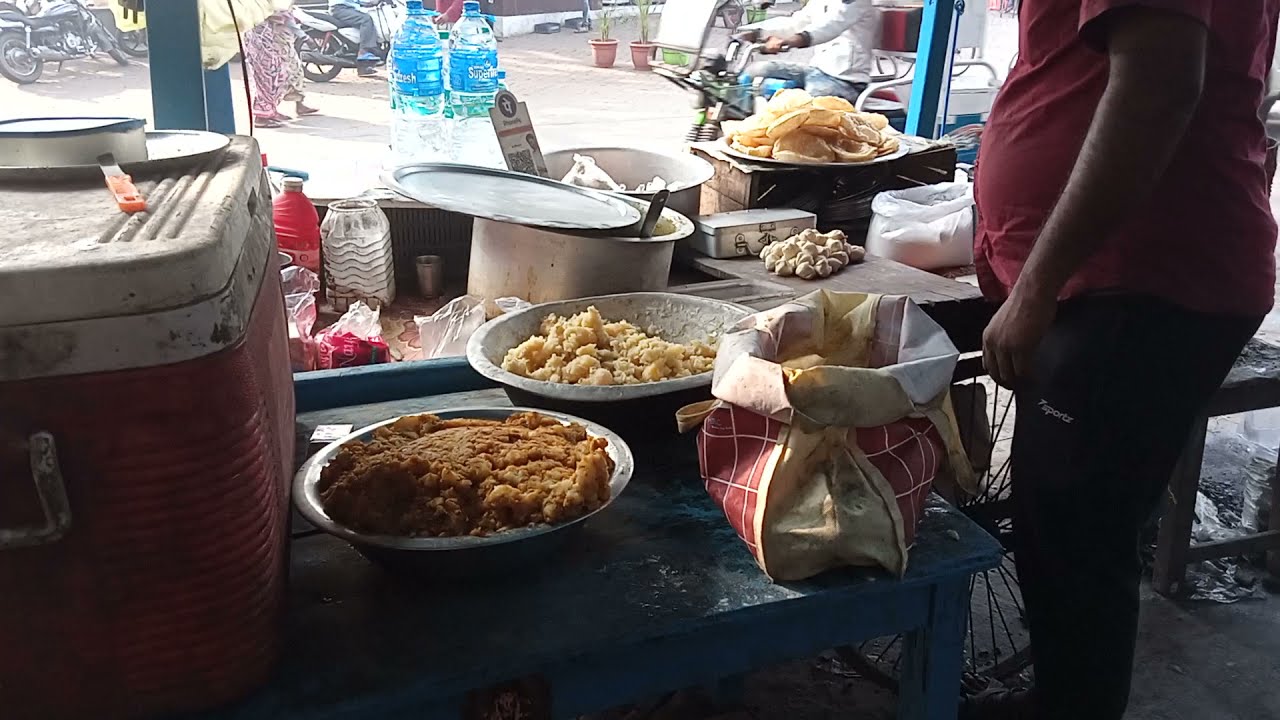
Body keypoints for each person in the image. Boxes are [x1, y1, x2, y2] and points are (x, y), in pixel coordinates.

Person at [965, 2, 1279, 719]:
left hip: (1137, 280)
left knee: (1077, 533)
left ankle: (1072, 705)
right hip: (1119, 277)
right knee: (1068, 524)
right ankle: (1062, 695)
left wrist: (1038, 284)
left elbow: (1160, 83)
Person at [737, 0, 877, 104]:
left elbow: (830, 27)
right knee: (756, 71)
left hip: (845, 80)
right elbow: (796, 23)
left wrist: (793, 41)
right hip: (816, 70)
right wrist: (756, 33)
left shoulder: (857, 2)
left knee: (808, 106)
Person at [243, 9, 318, 128]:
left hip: (267, 42)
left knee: (283, 75)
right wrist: (304, 37)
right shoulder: (265, 6)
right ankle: (261, 117)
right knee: (269, 79)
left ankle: (270, 112)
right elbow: (281, 16)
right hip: (265, 43)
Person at [329, 0, 382, 74]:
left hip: (346, 7)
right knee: (365, 20)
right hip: (341, 8)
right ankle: (364, 52)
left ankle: (364, 68)